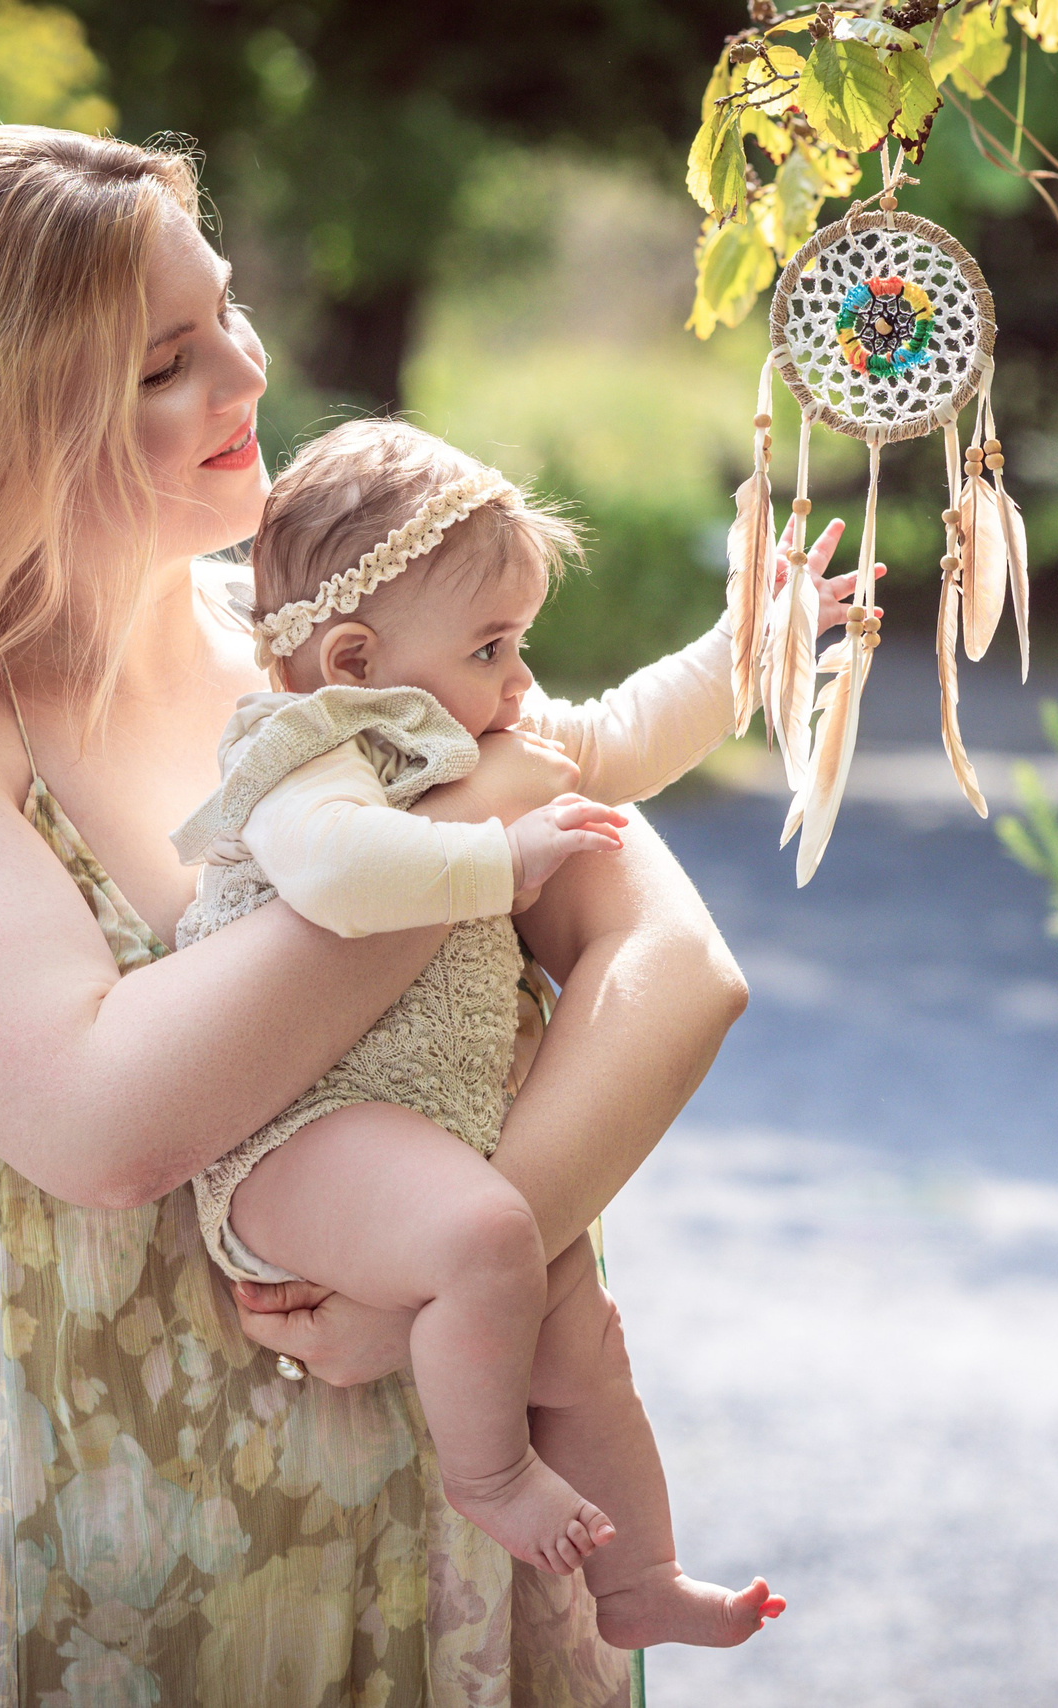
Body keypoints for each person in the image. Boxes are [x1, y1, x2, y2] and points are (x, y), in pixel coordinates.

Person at [0, 124, 758, 1703]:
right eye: (165, 363)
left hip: (451, 1522)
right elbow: (108, 1122)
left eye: (225, 314)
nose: (247, 377)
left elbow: (673, 967)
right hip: (110, 1569)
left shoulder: (321, 657)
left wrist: (426, 1282)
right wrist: (467, 817)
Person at [174, 420, 852, 1646]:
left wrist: (755, 639)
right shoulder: (306, 759)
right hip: (300, 1128)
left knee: (580, 1336)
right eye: (492, 647)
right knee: (494, 1232)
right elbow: (335, 874)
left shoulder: (495, 734)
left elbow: (637, 731)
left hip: (431, 1130)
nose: (522, 680)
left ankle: (637, 1582)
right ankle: (485, 1479)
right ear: (352, 656)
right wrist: (499, 855)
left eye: (520, 642)